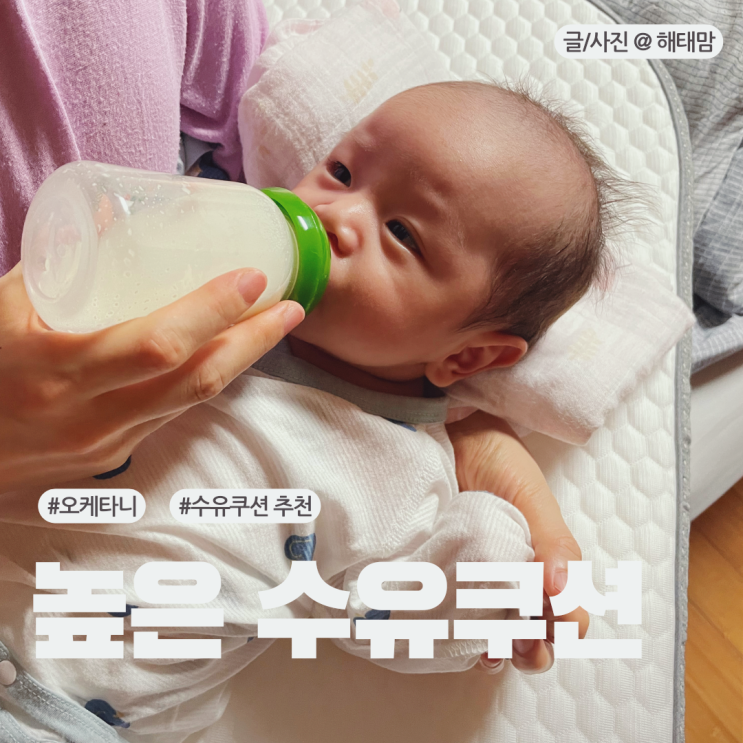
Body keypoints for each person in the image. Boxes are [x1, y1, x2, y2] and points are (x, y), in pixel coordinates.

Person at [0, 79, 634, 742]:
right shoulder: (208, 287)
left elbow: (398, 615)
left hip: (60, 714)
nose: (335, 214)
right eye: (341, 171)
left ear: (467, 356)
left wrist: (497, 572)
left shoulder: (398, 472)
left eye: (401, 233)